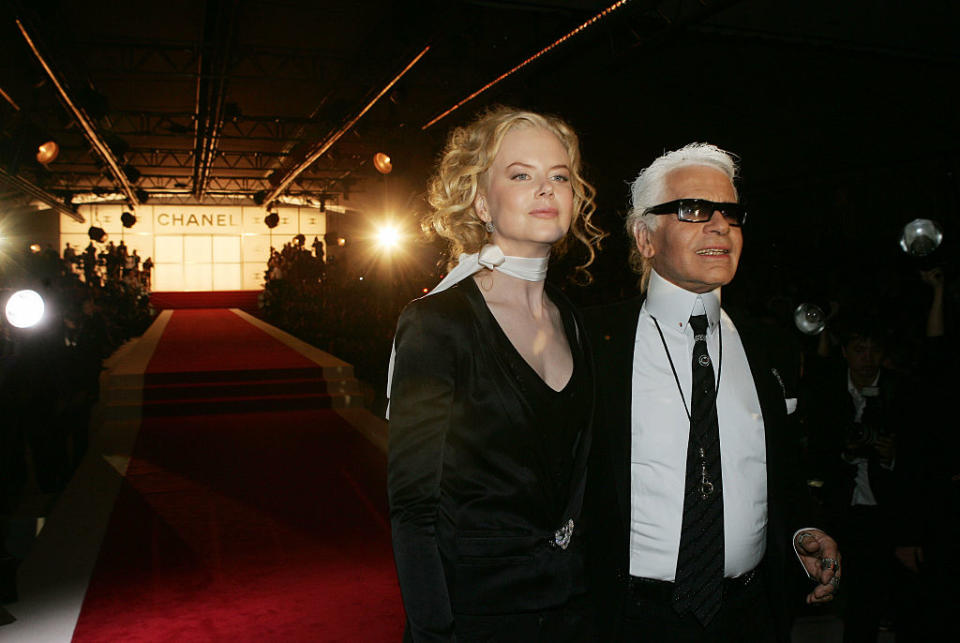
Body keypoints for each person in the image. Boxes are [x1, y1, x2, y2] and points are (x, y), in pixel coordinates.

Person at [584, 143, 841, 642]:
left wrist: (799, 531)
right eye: (693, 209)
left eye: (731, 213)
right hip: (630, 620)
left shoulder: (769, 344)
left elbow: (781, 470)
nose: (720, 225)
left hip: (749, 617)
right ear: (645, 238)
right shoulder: (591, 343)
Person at [387, 106, 604, 642]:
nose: (546, 189)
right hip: (476, 618)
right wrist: (436, 631)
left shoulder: (574, 322)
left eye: (559, 176)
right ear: (482, 202)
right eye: (521, 175)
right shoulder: (436, 324)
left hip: (573, 612)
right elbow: (414, 508)